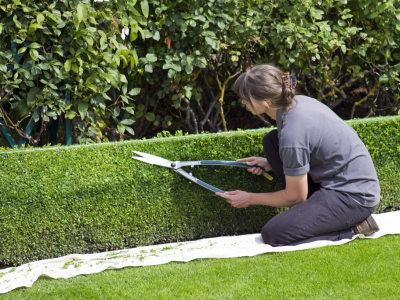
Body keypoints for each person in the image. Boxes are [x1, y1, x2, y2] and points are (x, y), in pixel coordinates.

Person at [216, 64, 380, 246]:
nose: (243, 103)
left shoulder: (292, 133)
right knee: (271, 141)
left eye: (246, 99)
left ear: (266, 102)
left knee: (274, 234)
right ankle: (313, 214)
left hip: (353, 197)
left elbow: (295, 197)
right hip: (344, 181)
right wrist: (270, 162)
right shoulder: (296, 103)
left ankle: (355, 227)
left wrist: (250, 198)